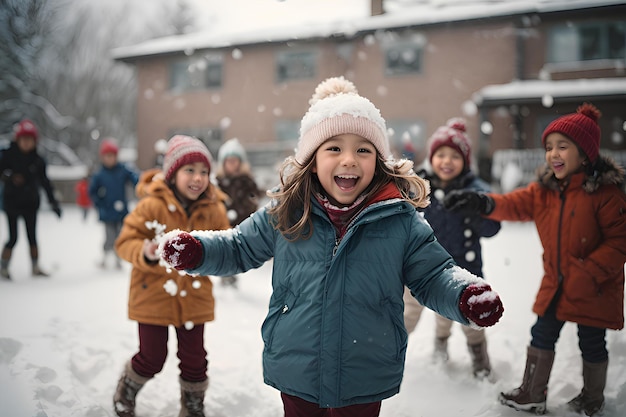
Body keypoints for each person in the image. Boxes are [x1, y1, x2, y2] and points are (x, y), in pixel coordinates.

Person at [158, 76, 504, 416]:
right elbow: (238, 246)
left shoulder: (399, 218)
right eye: (334, 147)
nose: (349, 159)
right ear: (312, 158)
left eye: (363, 149)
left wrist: (463, 294)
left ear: (379, 161)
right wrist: (198, 250)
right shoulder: (288, 213)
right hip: (297, 362)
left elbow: (433, 275)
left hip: (365, 366)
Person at [443, 103, 626, 416]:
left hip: (594, 286)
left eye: (562, 147)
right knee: (541, 334)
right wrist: (480, 202)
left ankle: (592, 398)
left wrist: (590, 271)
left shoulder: (606, 194)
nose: (552, 154)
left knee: (592, 342)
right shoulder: (545, 192)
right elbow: (512, 204)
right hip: (556, 283)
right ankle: (531, 393)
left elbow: (619, 241)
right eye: (548, 147)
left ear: (585, 154)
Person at [112, 135, 231, 417]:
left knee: (195, 359)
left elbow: (227, 245)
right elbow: (124, 242)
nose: (198, 178)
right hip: (152, 295)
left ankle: (192, 405)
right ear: (172, 173)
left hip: (194, 297)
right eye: (189, 170)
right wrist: (145, 251)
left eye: (204, 172)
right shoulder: (151, 205)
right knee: (152, 357)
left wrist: (210, 256)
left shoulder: (213, 209)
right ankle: (127, 389)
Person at [403, 118, 501, 378]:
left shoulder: (475, 191)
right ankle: (398, 353)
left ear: (465, 162)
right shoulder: (421, 187)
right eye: (441, 155)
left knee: (469, 319)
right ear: (432, 157)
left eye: (454, 156)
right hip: (420, 268)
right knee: (407, 314)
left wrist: (476, 209)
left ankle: (480, 359)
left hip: (463, 270)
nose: (447, 161)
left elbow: (493, 228)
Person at [0, 119, 62, 280]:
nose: (27, 143)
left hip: (30, 203)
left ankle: (35, 266)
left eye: (30, 140)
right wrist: (9, 176)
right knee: (13, 237)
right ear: (17, 139)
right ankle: (4, 266)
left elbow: (45, 182)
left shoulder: (38, 160)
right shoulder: (7, 155)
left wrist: (53, 202)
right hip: (11, 203)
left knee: (32, 237)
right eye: (24, 139)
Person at [215, 137, 262, 287]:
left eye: (235, 161)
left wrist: (248, 204)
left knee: (236, 249)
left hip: (241, 221)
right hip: (223, 221)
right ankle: (226, 274)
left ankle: (232, 273)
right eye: (228, 161)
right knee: (224, 248)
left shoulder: (247, 181)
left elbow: (254, 200)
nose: (232, 164)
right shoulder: (218, 182)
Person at [89, 138, 139, 269]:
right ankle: (105, 257)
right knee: (109, 236)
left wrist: (140, 184)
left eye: (112, 156)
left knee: (121, 236)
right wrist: (100, 203)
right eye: (107, 156)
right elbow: (92, 191)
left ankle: (118, 258)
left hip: (121, 211)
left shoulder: (123, 170)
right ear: (103, 157)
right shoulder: (100, 174)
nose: (110, 159)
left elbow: (135, 179)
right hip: (107, 212)